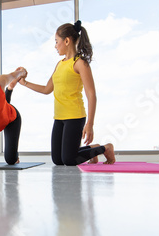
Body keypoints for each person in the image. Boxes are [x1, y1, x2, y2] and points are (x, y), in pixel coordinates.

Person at [22, 20, 115, 165]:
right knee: (58, 160)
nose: (55, 46)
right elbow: (47, 89)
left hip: (75, 116)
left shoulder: (80, 63)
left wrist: (89, 124)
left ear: (66, 41)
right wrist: (24, 83)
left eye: (56, 41)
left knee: (69, 159)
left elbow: (91, 95)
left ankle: (105, 148)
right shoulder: (59, 64)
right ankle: (93, 149)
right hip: (59, 117)